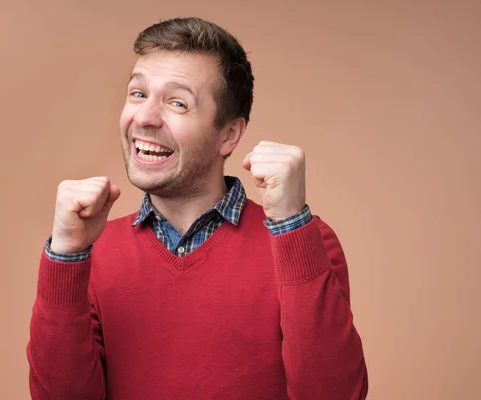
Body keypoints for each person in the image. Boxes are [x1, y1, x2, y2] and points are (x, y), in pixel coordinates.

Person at [27, 17, 368, 400]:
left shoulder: (305, 241)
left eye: (177, 103)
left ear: (229, 135)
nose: (144, 118)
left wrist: (290, 225)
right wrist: (65, 257)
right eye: (138, 94)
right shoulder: (93, 252)